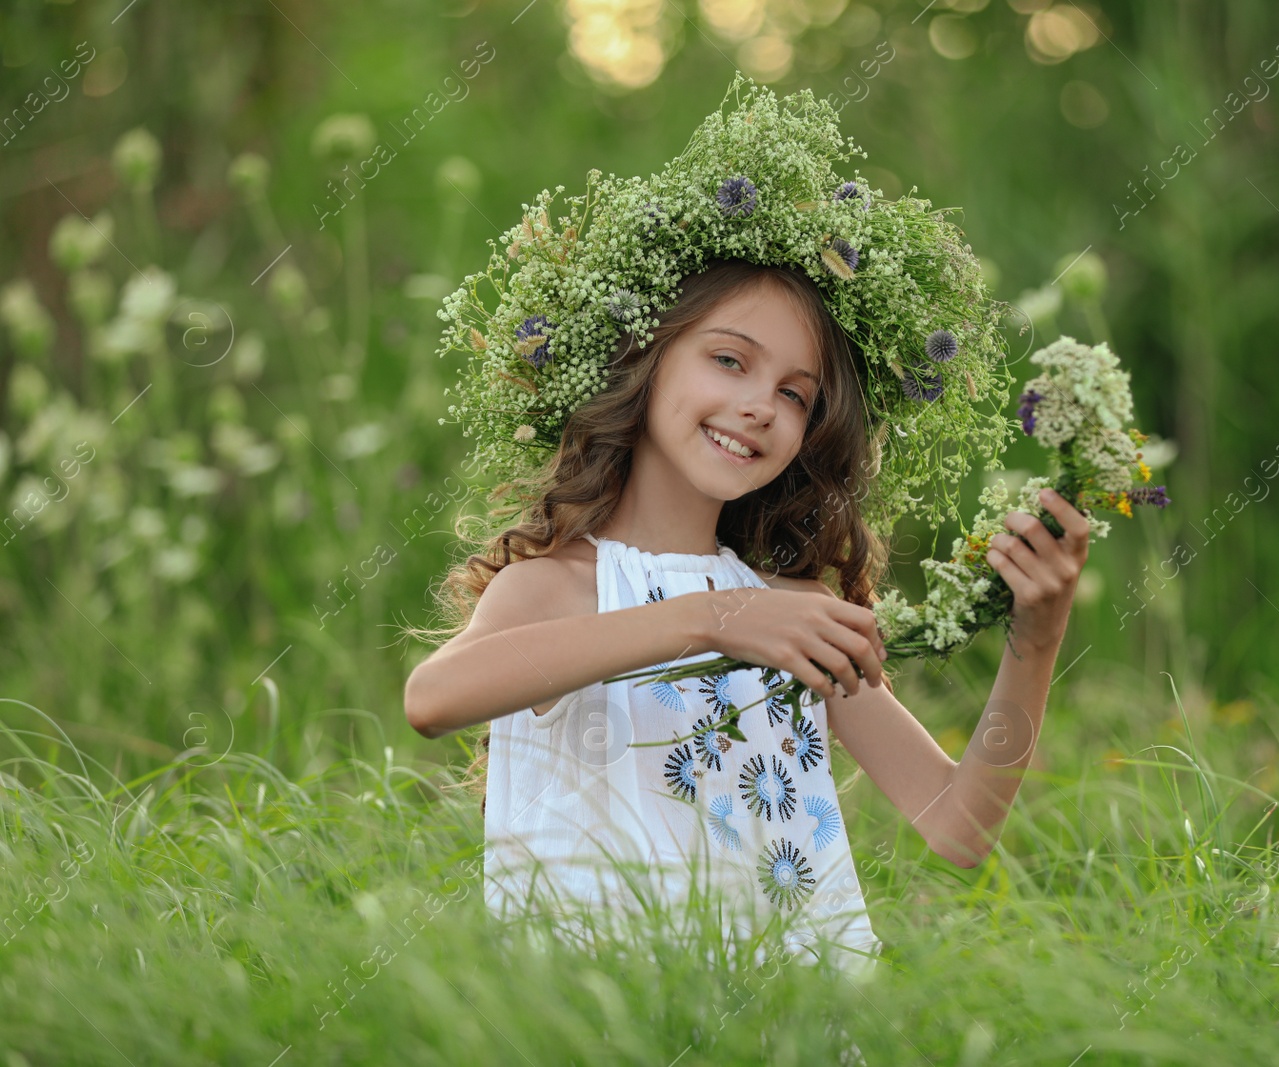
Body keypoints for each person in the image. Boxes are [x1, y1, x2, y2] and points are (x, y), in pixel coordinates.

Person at [402, 75, 1091, 1057]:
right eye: (728, 360)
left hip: (788, 1028)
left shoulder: (793, 614)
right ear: (645, 361)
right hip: (596, 1025)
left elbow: (955, 823)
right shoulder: (556, 584)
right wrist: (713, 620)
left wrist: (1038, 634)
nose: (760, 403)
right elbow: (434, 696)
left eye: (795, 392)